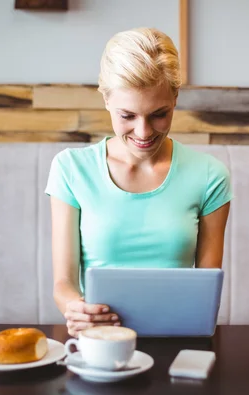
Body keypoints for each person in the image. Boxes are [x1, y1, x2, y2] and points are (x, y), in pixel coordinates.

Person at [45, 27, 232, 338]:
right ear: (106, 100)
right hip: (99, 342)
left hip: (179, 339)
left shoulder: (210, 176)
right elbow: (62, 284)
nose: (143, 132)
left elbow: (207, 287)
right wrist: (75, 308)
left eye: (159, 114)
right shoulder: (71, 169)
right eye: (127, 115)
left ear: (175, 97)